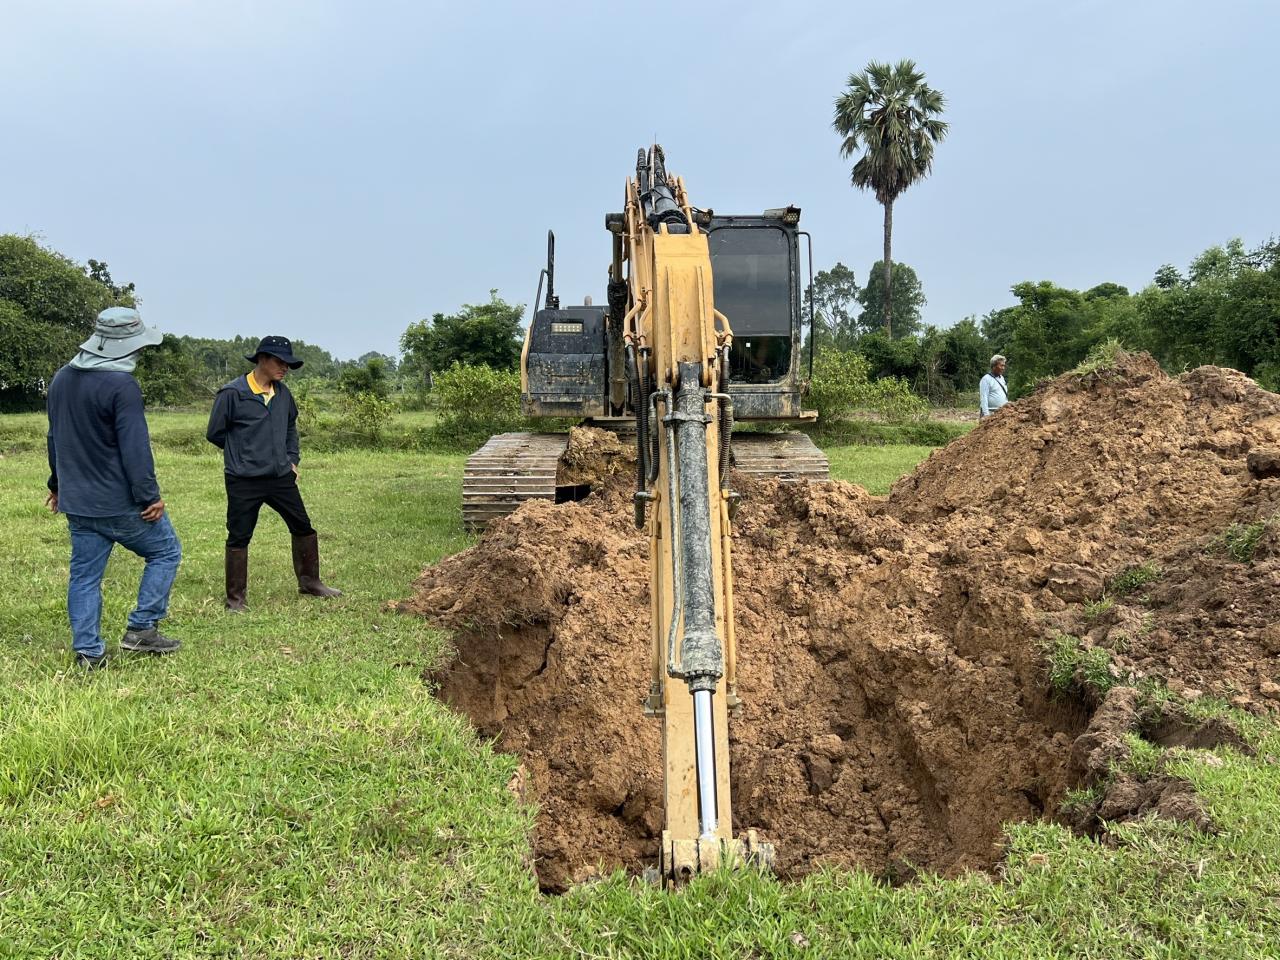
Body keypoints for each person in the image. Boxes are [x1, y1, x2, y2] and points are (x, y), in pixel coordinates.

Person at [45, 307, 183, 670]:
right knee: (166, 552)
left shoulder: (61, 378)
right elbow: (136, 449)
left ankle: (88, 653)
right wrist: (149, 496)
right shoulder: (122, 386)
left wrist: (57, 487)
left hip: (78, 502)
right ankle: (141, 629)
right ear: (125, 346)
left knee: (84, 576)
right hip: (119, 502)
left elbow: (54, 439)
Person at [206, 336, 341, 610]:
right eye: (281, 362)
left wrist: (291, 460)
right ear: (262, 359)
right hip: (243, 479)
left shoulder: (283, 394)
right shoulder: (232, 394)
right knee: (239, 535)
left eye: (288, 364)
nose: (285, 368)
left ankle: (310, 582)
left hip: (280, 476)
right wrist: (243, 454)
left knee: (302, 525)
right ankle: (236, 599)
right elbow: (215, 434)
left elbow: (291, 428)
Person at [979, 354, 1009, 419]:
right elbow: (984, 398)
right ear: (994, 366)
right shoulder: (986, 379)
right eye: (1001, 365)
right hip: (990, 413)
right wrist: (986, 415)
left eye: (1004, 366)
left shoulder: (1002, 378)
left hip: (1002, 413)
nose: (1003, 368)